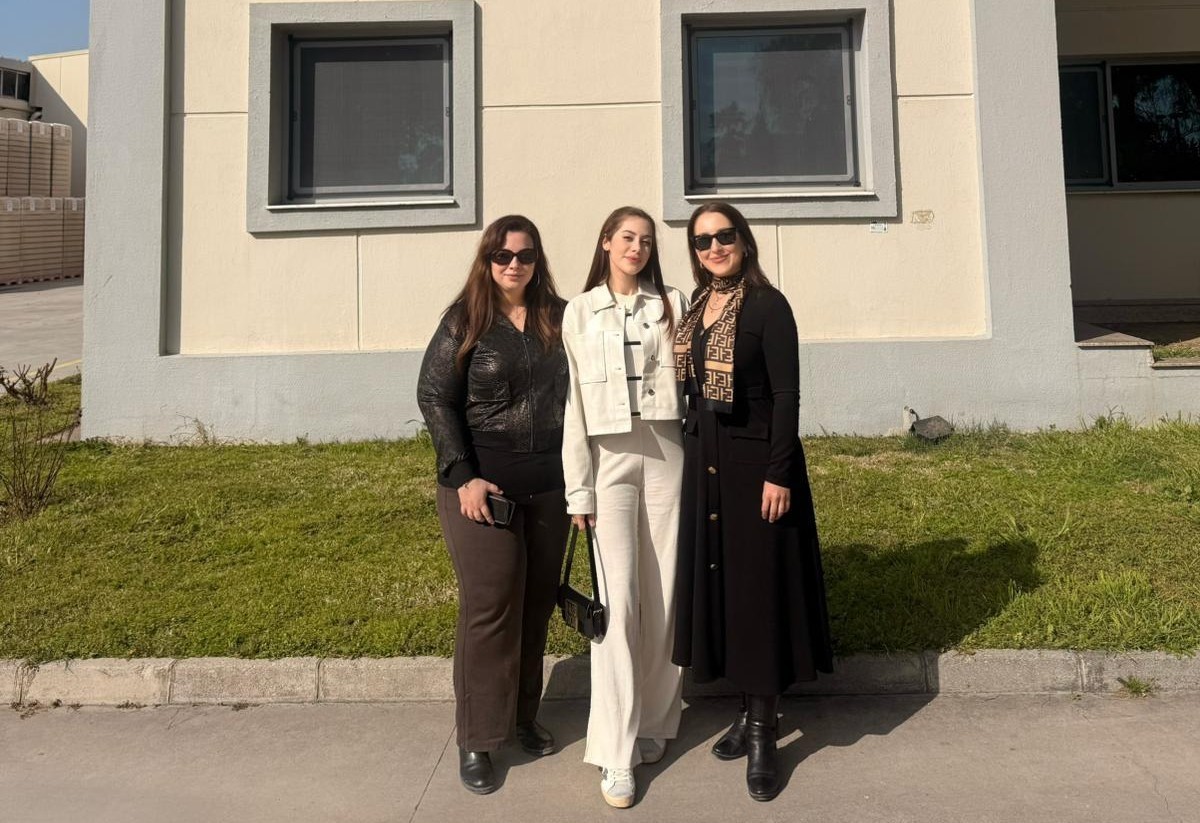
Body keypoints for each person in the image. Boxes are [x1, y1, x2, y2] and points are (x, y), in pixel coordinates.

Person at [671, 202, 834, 802]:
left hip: (754, 465)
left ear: (744, 240)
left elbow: (788, 395)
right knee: (727, 589)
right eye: (701, 240)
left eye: (724, 236)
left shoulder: (768, 305)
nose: (713, 247)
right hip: (706, 462)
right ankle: (745, 710)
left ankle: (765, 732)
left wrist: (778, 472)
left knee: (758, 592)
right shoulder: (697, 306)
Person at [416, 214, 570, 796]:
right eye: (502, 255)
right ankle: (478, 738)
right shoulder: (465, 319)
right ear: (487, 259)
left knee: (535, 605)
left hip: (551, 489)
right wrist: (463, 476)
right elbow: (434, 396)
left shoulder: (560, 316)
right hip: (483, 491)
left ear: (537, 261)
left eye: (525, 255)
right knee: (490, 607)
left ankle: (522, 718)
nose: (514, 265)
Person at [561, 206, 689, 809]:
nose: (637, 247)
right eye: (627, 238)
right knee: (616, 602)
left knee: (663, 593)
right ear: (606, 242)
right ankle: (614, 750)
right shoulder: (580, 310)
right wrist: (578, 490)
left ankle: (657, 718)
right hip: (608, 457)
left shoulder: (672, 303)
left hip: (667, 450)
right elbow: (572, 406)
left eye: (646, 240)